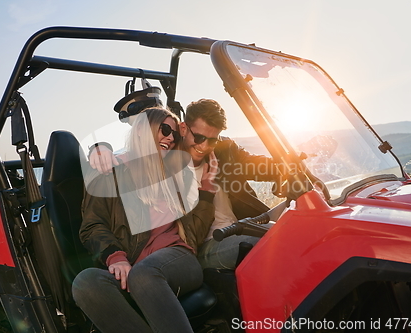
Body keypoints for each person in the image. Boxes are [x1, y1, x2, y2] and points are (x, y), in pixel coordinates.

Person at [89, 98, 285, 270]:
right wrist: (100, 148)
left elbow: (257, 165)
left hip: (240, 227)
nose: (204, 146)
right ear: (183, 128)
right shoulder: (165, 159)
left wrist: (286, 172)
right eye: (198, 138)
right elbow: (132, 157)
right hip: (202, 244)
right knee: (271, 242)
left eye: (212, 140)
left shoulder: (224, 152)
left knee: (291, 231)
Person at [72, 107, 218, 333]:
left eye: (174, 134)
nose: (170, 137)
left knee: (144, 275)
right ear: (140, 130)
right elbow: (92, 226)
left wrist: (207, 192)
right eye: (165, 129)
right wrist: (115, 257)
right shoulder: (110, 172)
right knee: (86, 282)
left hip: (177, 259)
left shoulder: (179, 173)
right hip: (133, 265)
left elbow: (194, 234)